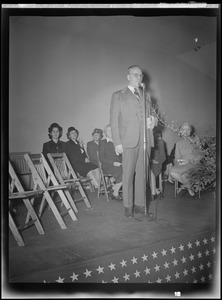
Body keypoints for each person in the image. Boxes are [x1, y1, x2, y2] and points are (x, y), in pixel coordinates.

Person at [110, 65, 158, 221]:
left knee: (142, 176)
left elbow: (152, 115)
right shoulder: (118, 95)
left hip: (145, 140)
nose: (139, 77)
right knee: (128, 175)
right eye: (135, 74)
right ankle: (128, 207)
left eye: (141, 75)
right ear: (128, 76)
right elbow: (114, 121)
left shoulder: (146, 96)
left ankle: (140, 206)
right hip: (128, 141)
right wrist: (117, 142)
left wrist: (154, 121)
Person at [170, 122, 202, 196]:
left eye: (188, 129)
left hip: (194, 163)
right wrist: (179, 162)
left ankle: (186, 187)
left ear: (190, 131)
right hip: (183, 164)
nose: (186, 131)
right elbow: (177, 158)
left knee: (183, 173)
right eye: (184, 129)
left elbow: (200, 155)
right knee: (172, 172)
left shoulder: (196, 141)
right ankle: (189, 187)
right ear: (180, 131)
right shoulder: (178, 144)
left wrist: (190, 161)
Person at [99, 124, 123, 201]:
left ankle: (113, 187)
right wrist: (113, 163)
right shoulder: (103, 142)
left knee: (129, 169)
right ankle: (115, 193)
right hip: (108, 165)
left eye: (112, 130)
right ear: (105, 132)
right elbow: (101, 158)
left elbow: (120, 156)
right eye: (109, 130)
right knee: (122, 171)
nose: (111, 132)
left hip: (118, 164)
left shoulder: (117, 143)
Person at [150, 131, 166, 200]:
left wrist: (155, 161)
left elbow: (163, 157)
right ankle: (158, 192)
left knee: (149, 171)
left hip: (156, 164)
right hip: (148, 162)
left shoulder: (160, 142)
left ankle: (153, 193)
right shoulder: (147, 141)